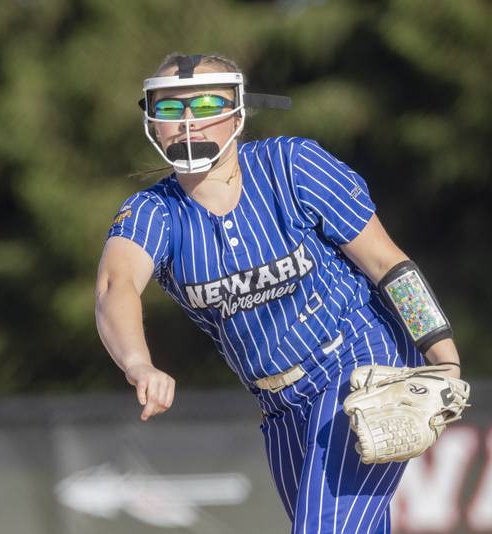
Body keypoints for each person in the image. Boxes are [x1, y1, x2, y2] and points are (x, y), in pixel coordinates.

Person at [94, 53, 463, 533]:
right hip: (279, 405)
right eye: (169, 108)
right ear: (151, 122)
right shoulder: (153, 212)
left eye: (206, 103)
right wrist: (137, 363)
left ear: (237, 111)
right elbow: (115, 285)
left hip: (358, 368)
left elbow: (387, 264)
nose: (188, 122)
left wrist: (445, 357)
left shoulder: (291, 165)